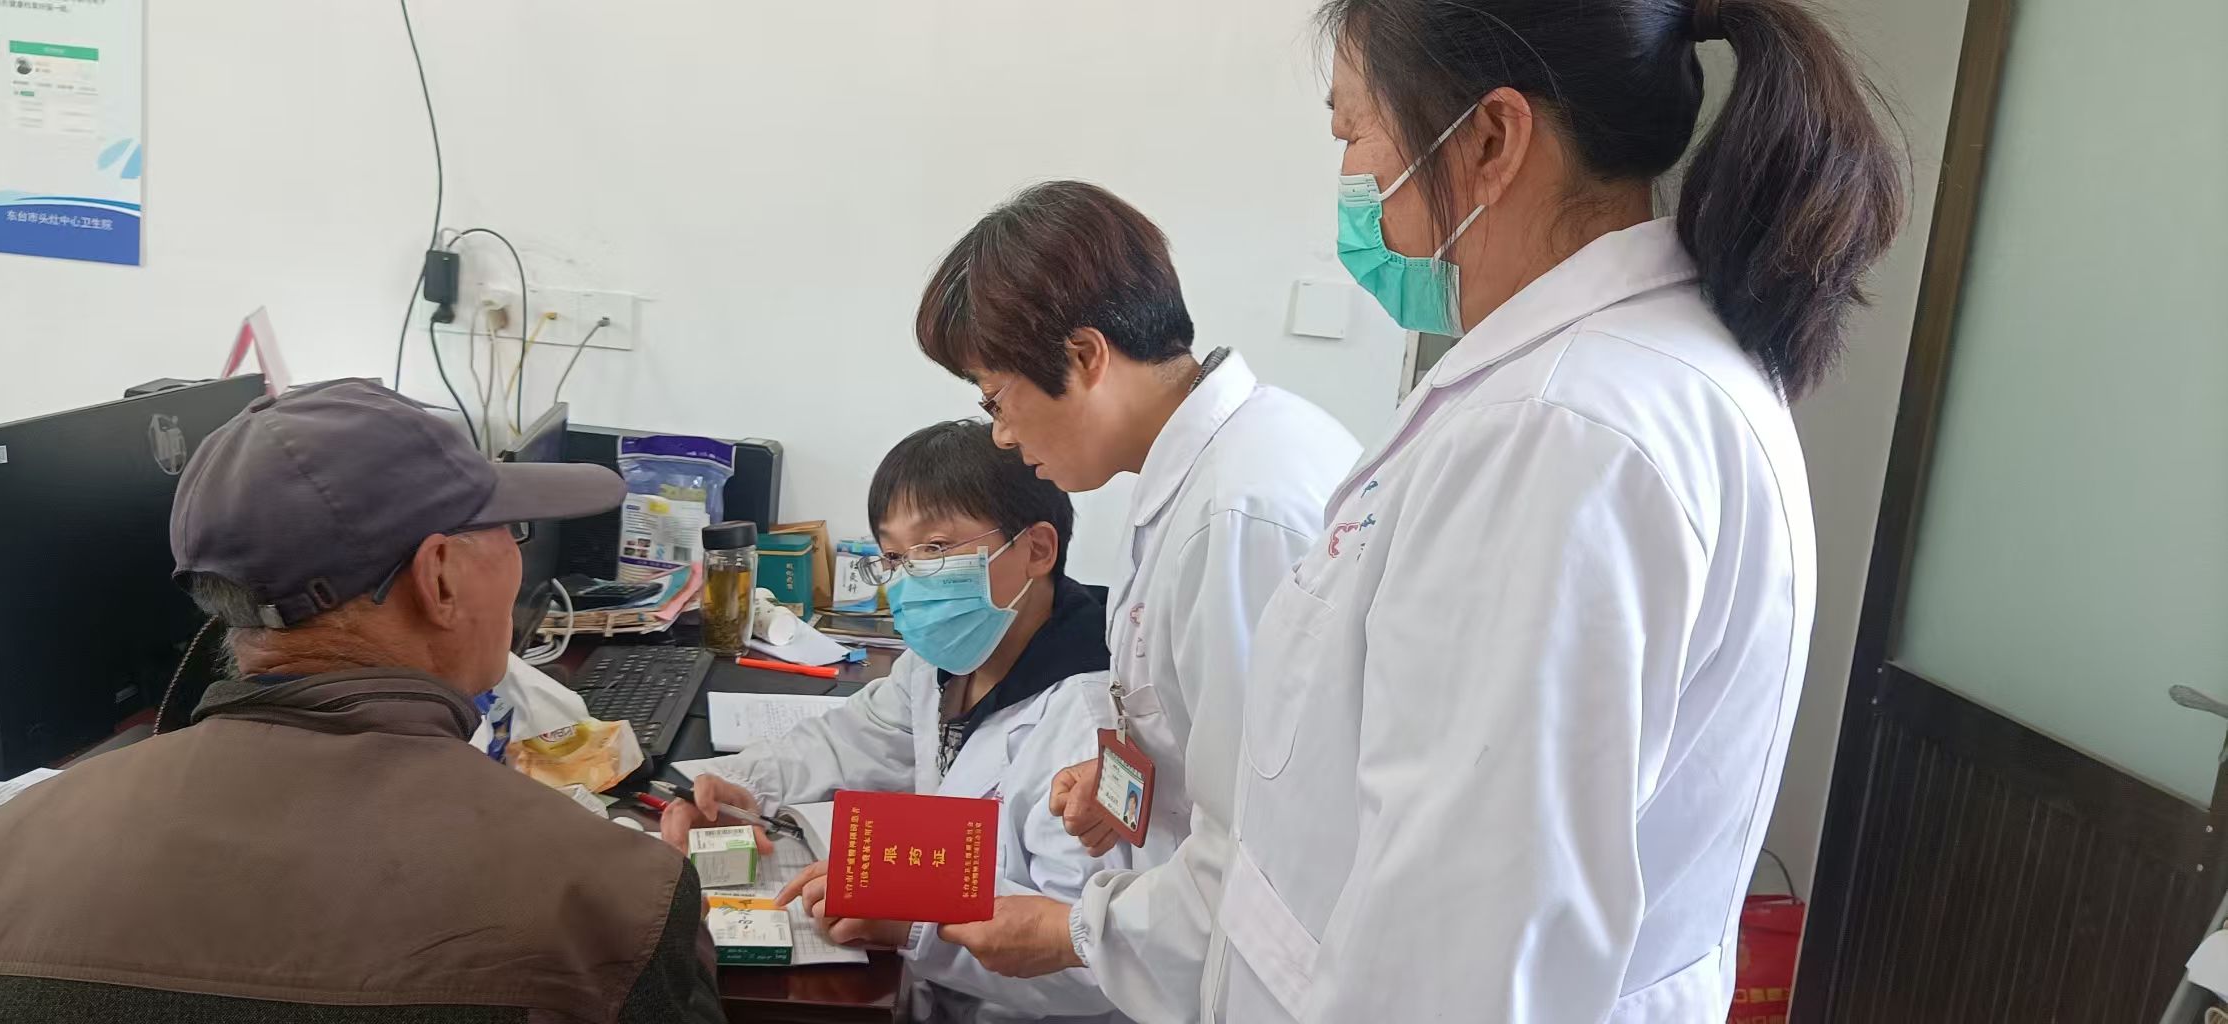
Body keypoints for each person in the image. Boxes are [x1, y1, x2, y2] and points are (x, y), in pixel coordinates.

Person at [1208, 0, 1893, 1020]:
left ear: (1490, 139)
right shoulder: (1603, 388)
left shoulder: (1562, 431)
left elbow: (1458, 961)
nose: (1349, 178)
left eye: (1353, 130)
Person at [0, 380, 724, 1024]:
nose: (519, 561)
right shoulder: (614, 899)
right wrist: (675, 908)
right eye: (512, 531)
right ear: (440, 578)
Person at [914, 181, 1361, 1023]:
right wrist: (1130, 776)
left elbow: (1272, 846)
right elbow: (1219, 735)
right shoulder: (1197, 475)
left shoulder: (1239, 514)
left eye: (996, 397)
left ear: (1086, 356)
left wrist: (1073, 933)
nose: (1000, 433)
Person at [657, 420, 1130, 1024]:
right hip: (937, 991)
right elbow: (847, 741)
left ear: (1037, 549)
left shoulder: (1092, 725)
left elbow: (1093, 960)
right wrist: (744, 788)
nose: (910, 579)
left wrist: (911, 922)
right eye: (895, 556)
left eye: (935, 547)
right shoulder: (946, 659)